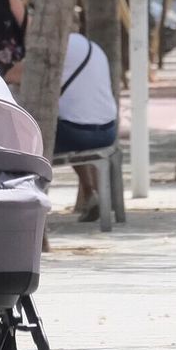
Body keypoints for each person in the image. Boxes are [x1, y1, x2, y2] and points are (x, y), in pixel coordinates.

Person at [52, 30, 119, 223]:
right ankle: (90, 193)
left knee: (38, 136)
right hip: (108, 131)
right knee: (74, 126)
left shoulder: (56, 47)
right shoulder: (95, 48)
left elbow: (14, 75)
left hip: (76, 134)